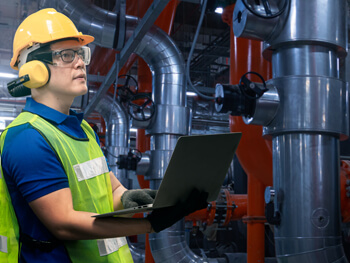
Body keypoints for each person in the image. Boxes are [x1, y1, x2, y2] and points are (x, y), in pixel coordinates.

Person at [0, 8, 208, 263]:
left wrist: (135, 199)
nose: (80, 63)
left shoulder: (83, 129)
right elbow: (64, 223)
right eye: (66, 55)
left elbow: (109, 191)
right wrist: (149, 225)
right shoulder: (28, 138)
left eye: (80, 54)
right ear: (33, 70)